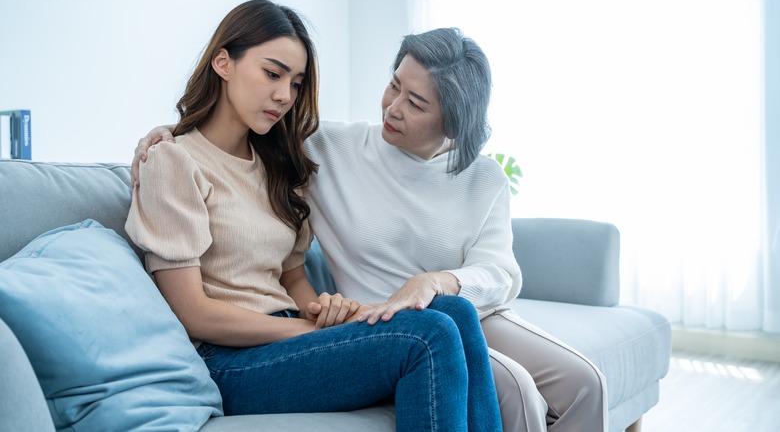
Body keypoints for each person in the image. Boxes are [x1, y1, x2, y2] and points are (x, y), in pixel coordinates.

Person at [133, 25, 607, 431]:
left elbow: (292, 275)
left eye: (294, 83)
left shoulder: (276, 161)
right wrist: (166, 134)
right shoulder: (175, 159)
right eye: (273, 74)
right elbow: (193, 312)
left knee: (453, 313)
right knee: (431, 334)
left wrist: (322, 312)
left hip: (286, 330)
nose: (284, 95)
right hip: (229, 358)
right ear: (223, 62)